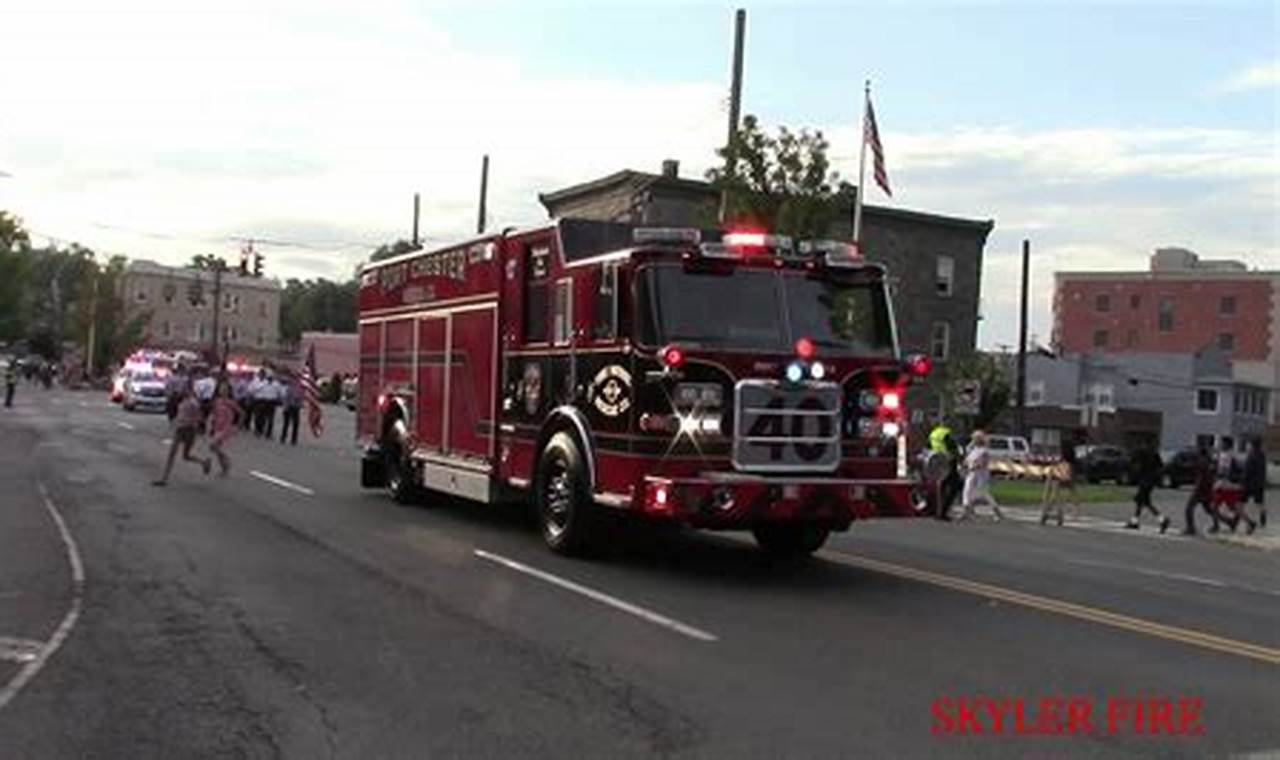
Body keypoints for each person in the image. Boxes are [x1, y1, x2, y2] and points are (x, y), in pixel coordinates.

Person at [153, 388, 212, 486]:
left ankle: (204, 462)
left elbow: (198, 417)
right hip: (180, 429)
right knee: (173, 454)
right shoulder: (183, 402)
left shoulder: (193, 403)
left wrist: (198, 428)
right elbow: (180, 415)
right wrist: (173, 424)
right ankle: (164, 478)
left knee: (185, 455)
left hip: (189, 430)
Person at [1126, 441, 1170, 533]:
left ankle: (1162, 519)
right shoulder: (1155, 454)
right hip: (1151, 482)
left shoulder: (1142, 452)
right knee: (1140, 501)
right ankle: (1135, 521)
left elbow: (1134, 462)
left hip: (1144, 481)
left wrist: (1135, 471)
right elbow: (1161, 467)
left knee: (1144, 501)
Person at [959, 430, 1004, 521]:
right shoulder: (973, 450)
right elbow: (967, 461)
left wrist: (974, 466)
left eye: (974, 439)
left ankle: (997, 512)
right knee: (967, 491)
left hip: (981, 475)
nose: (973, 440)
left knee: (984, 493)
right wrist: (964, 465)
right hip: (971, 474)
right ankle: (966, 512)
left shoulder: (984, 451)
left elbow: (983, 463)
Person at [206, 380, 243, 476]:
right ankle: (225, 468)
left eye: (225, 389)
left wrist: (238, 426)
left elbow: (241, 413)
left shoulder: (230, 402)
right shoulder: (217, 401)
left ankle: (226, 459)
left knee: (213, 445)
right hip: (218, 427)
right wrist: (211, 426)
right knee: (216, 448)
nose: (223, 391)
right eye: (221, 389)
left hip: (226, 428)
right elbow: (214, 414)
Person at [1183, 445, 1221, 536]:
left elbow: (1201, 476)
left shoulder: (1201, 462)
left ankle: (1190, 528)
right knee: (1208, 509)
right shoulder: (1208, 461)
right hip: (1207, 488)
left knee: (1189, 509)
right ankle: (1223, 523)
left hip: (1200, 489)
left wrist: (1197, 487)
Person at [1040, 441, 1081, 527]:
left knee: (1053, 494)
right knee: (1070, 492)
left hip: (1058, 478)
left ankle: (1048, 512)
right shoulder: (1071, 464)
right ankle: (1056, 513)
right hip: (1067, 477)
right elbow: (1073, 490)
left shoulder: (1061, 463)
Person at [927, 422, 962, 521]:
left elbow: (929, 446)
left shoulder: (933, 434)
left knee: (941, 487)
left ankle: (938, 511)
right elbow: (953, 448)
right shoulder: (946, 434)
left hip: (937, 462)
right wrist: (958, 456)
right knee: (955, 486)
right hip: (948, 461)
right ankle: (943, 512)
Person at [1243, 439, 1267, 530]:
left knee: (1242, 502)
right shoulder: (1262, 455)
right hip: (1260, 482)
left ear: (1252, 445)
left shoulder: (1251, 455)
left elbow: (1247, 470)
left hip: (1250, 483)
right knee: (1259, 501)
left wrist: (1243, 481)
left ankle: (1249, 522)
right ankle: (1263, 514)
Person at [280, 374, 303, 446]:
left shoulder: (300, 389)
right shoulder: (288, 388)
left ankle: (294, 439)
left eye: (297, 379)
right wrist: (285, 406)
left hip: (296, 408)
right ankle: (283, 437)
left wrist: (300, 404)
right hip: (289, 407)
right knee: (286, 424)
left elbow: (301, 398)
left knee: (296, 424)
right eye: (295, 379)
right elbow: (285, 398)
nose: (296, 381)